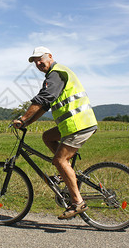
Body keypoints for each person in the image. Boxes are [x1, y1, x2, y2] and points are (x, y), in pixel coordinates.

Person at [12, 46, 98, 219]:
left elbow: (44, 98)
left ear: (50, 56)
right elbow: (44, 106)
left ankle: (77, 202)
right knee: (47, 137)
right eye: (34, 61)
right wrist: (27, 122)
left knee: (59, 159)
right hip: (72, 124)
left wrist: (22, 118)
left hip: (79, 124)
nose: (37, 63)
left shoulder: (56, 73)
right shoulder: (54, 75)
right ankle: (65, 172)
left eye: (40, 58)